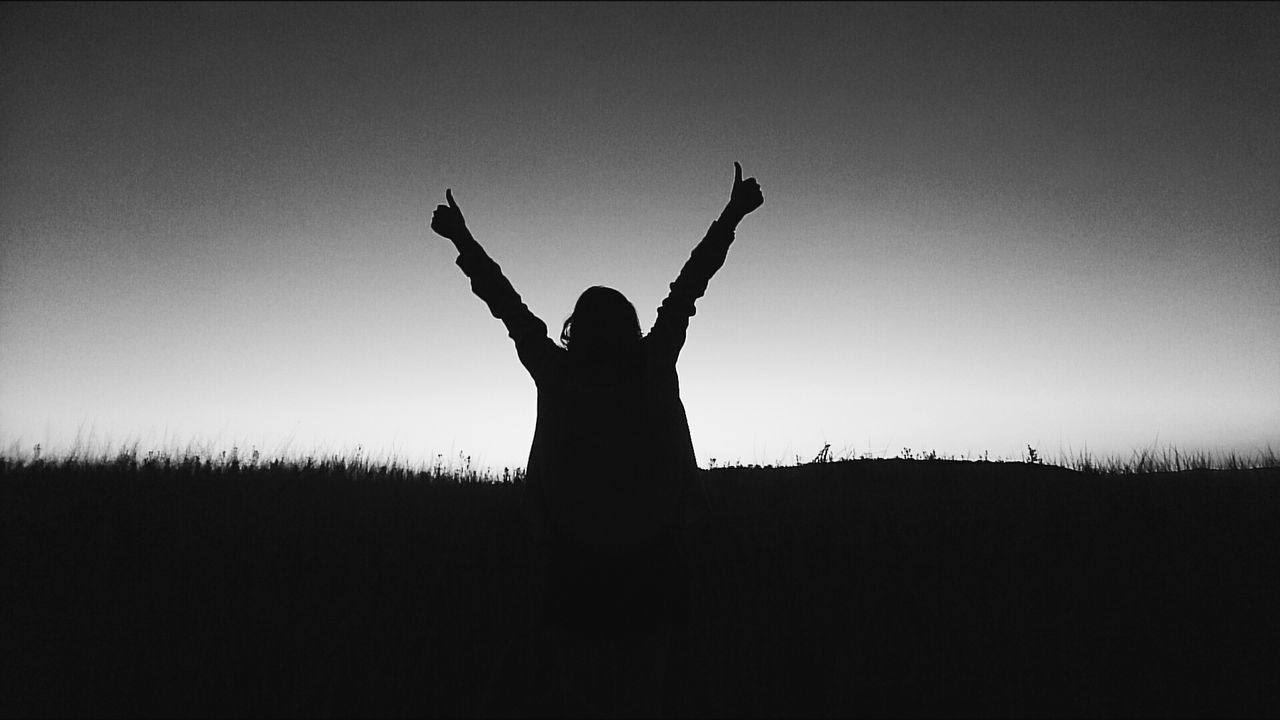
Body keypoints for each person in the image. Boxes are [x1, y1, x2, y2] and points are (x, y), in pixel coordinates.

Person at [431, 163, 764, 716]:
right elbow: (689, 286)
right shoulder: (651, 364)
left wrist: (462, 239)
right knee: (643, 692)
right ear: (629, 326)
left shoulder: (559, 373)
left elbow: (507, 307)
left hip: (577, 559)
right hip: (650, 557)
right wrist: (732, 213)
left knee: (582, 692)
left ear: (575, 330)